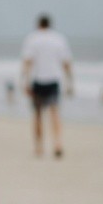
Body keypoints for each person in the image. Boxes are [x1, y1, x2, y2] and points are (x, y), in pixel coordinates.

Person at [21, 14, 74, 158]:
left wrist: (24, 81)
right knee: (55, 114)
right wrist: (70, 82)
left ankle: (39, 147)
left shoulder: (32, 39)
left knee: (38, 115)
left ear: (38, 25)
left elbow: (27, 62)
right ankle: (57, 144)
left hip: (38, 80)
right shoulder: (59, 39)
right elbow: (66, 63)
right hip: (53, 80)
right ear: (50, 25)